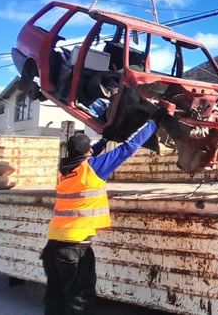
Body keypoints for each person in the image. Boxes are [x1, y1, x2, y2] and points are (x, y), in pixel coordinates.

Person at [40, 117, 160, 315]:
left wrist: (105, 140)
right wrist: (154, 123)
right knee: (79, 301)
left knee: (56, 299)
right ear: (87, 152)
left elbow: (87, 154)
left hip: (53, 248)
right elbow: (128, 148)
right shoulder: (92, 169)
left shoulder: (66, 171)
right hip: (74, 250)